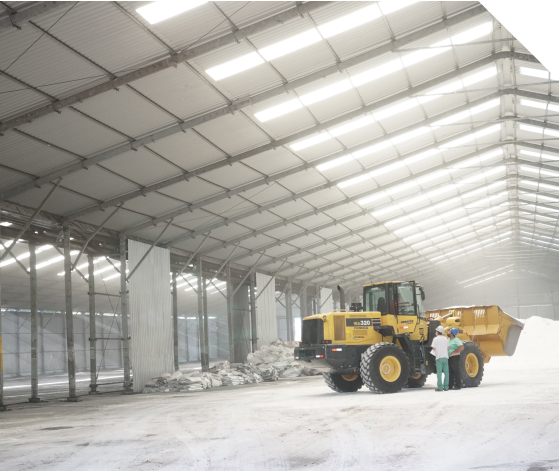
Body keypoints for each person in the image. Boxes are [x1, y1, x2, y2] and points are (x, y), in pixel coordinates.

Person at [430, 325, 449, 391]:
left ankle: (440, 387)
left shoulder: (435, 339)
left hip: (439, 357)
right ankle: (446, 387)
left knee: (439, 373)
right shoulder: (446, 339)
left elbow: (433, 347)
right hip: (445, 357)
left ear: (437, 332)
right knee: (446, 373)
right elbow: (447, 348)